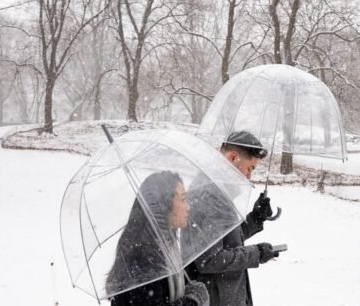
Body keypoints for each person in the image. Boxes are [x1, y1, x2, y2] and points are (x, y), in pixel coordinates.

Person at [186, 131, 281, 306]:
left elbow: (224, 240)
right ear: (234, 157)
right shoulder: (210, 193)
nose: (249, 176)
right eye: (250, 168)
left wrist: (255, 219)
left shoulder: (219, 189)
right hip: (218, 298)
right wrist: (256, 253)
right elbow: (209, 259)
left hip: (227, 295)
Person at [107, 171, 210, 306]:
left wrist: (191, 289)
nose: (188, 207)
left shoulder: (166, 244)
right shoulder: (142, 255)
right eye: (183, 199)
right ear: (164, 203)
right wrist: (193, 301)